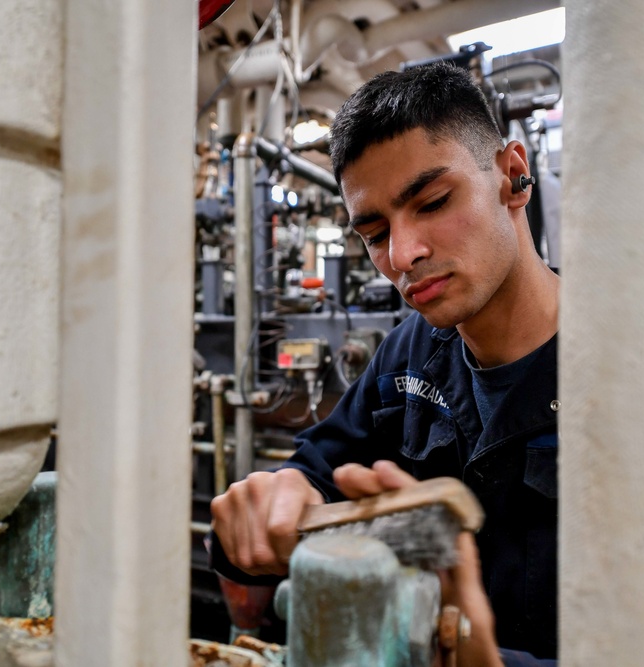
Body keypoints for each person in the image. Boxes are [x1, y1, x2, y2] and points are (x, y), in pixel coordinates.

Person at [211, 62, 561, 665]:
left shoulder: (629, 371)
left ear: (513, 174)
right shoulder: (411, 355)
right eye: (374, 234)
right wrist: (275, 499)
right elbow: (315, 470)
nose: (402, 255)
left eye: (432, 201)